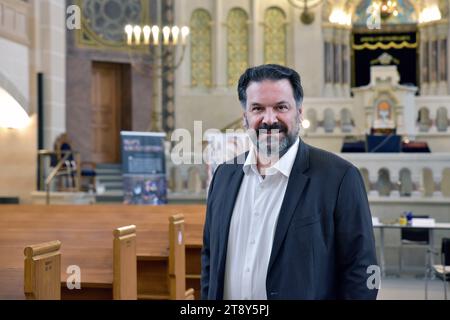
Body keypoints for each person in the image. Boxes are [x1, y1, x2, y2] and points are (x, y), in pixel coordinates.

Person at [201, 64, 378, 300]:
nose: (269, 119)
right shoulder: (224, 176)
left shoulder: (339, 178)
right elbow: (209, 260)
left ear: (299, 113)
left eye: (281, 107)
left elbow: (361, 270)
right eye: (257, 109)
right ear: (245, 118)